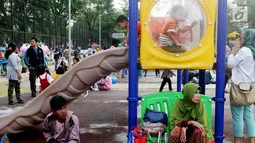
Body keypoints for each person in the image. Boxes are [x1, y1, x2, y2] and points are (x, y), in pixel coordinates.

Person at [227, 29, 255, 143]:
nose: (240, 39)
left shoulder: (244, 50)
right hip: (250, 87)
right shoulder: (253, 51)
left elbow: (230, 64)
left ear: (248, 38)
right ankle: (252, 140)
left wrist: (233, 51)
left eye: (242, 37)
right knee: (248, 115)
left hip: (238, 87)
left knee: (238, 116)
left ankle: (237, 141)